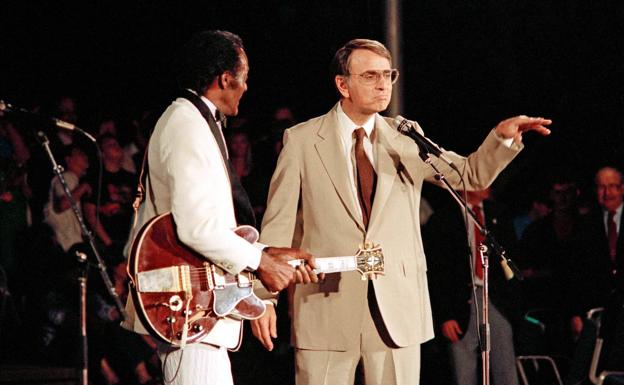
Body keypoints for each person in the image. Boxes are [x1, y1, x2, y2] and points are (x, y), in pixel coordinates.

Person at [251, 38, 551, 385]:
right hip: (325, 305)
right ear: (342, 84)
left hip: (397, 308)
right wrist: (264, 298)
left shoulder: (406, 136)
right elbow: (278, 225)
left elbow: (469, 174)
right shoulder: (302, 140)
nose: (382, 84)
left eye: (387, 75)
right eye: (369, 76)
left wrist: (501, 138)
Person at [120, 30, 317, 385]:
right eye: (244, 79)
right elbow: (195, 228)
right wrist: (260, 263)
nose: (246, 88)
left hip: (198, 314)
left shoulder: (192, 121)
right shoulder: (187, 124)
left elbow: (210, 224)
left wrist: (266, 251)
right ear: (226, 79)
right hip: (190, 312)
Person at [424, 188, 520, 385]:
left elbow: (512, 255)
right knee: (463, 371)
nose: (487, 184)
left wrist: (512, 298)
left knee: (505, 368)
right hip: (460, 301)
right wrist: (445, 316)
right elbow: (438, 271)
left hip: (494, 298)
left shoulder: (498, 213)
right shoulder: (444, 218)